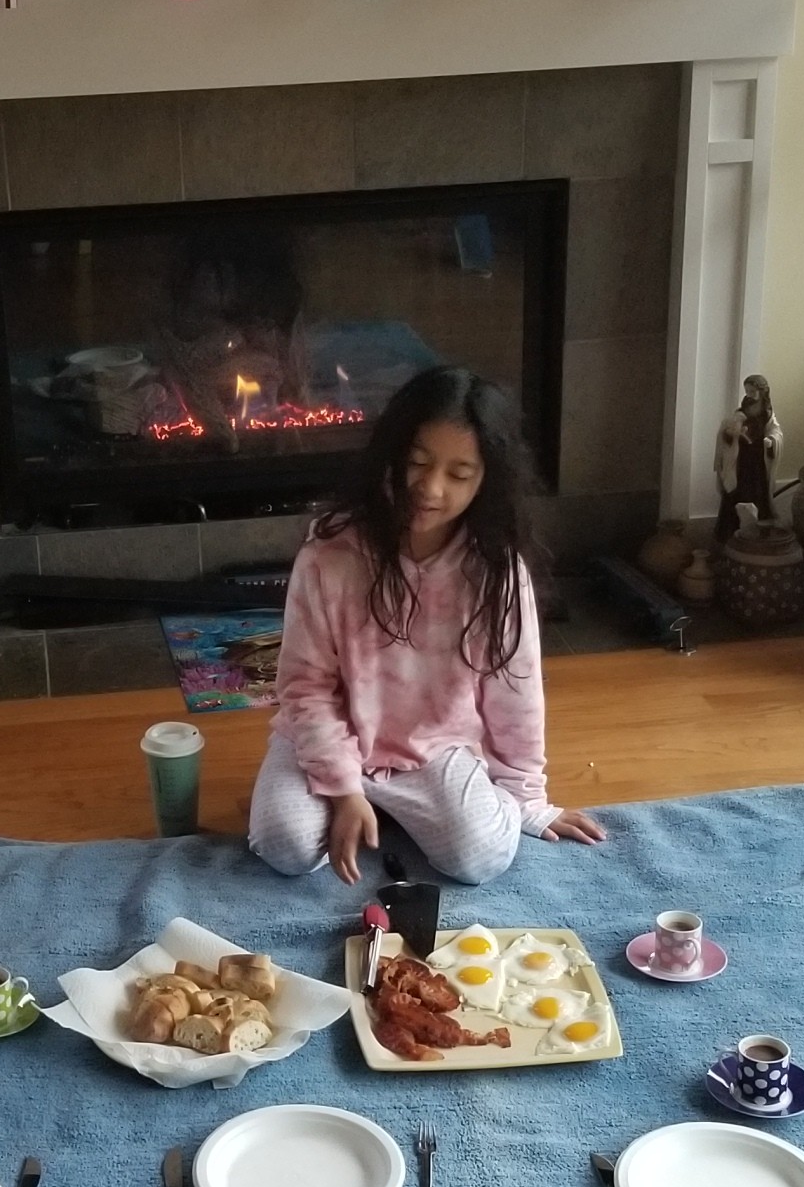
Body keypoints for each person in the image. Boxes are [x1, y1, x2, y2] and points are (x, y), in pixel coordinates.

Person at [249, 367, 605, 886]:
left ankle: (403, 811)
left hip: (432, 750)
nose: (431, 489)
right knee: (282, 842)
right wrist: (344, 790)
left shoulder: (497, 573)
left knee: (482, 855)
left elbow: (516, 693)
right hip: (330, 737)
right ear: (391, 455)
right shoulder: (329, 555)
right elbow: (305, 687)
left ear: (485, 482)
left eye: (459, 475)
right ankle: (367, 809)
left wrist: (528, 798)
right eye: (417, 463)